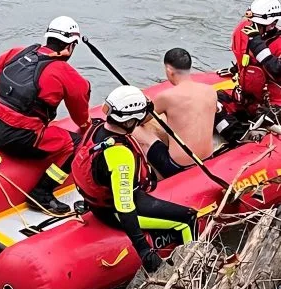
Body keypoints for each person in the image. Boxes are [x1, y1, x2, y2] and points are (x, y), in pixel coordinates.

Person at [72, 85, 197, 273]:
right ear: (129, 121)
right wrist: (144, 250)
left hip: (96, 202)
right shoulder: (120, 156)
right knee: (189, 217)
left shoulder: (95, 128)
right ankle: (192, 268)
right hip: (112, 212)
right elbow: (125, 207)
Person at [0, 16, 91, 214]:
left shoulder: (15, 53)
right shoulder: (65, 73)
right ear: (70, 46)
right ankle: (42, 193)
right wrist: (87, 128)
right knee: (77, 144)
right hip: (18, 137)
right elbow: (80, 116)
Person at [133, 48, 217, 179]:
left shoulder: (167, 97)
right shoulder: (210, 91)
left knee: (135, 129)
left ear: (169, 71)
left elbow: (139, 120)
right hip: (207, 159)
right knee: (174, 120)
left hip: (177, 167)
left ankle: (153, 172)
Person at [215, 0, 281, 144]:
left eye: (257, 24)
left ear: (272, 24)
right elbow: (244, 59)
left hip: (273, 104)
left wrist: (256, 42)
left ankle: (256, 138)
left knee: (267, 118)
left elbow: (277, 69)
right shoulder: (243, 31)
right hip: (247, 98)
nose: (252, 26)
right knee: (212, 103)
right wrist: (235, 69)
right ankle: (238, 136)